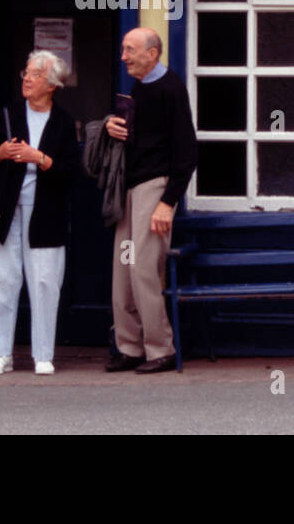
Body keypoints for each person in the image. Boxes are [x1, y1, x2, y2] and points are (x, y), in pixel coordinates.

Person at [103, 27, 197, 374]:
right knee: (123, 271)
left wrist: (167, 202)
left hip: (153, 190)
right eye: (124, 49)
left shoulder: (171, 88)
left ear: (152, 53)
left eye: (130, 50)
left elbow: (187, 153)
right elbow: (136, 133)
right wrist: (112, 125)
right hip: (129, 190)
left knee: (143, 270)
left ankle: (160, 349)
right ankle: (130, 347)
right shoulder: (140, 86)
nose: (123, 56)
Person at [0, 51, 79, 375]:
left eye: (35, 74)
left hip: (46, 213)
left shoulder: (64, 122)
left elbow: (71, 172)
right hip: (7, 212)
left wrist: (39, 158)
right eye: (26, 72)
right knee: (2, 279)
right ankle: (0, 354)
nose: (26, 78)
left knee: (44, 282)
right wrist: (1, 153)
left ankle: (43, 355)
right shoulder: (7, 113)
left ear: (51, 85)